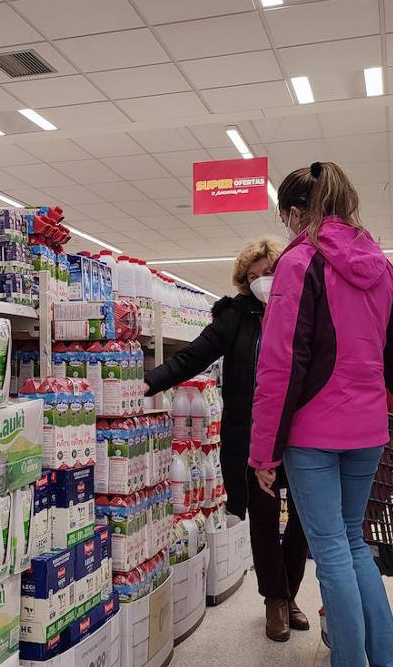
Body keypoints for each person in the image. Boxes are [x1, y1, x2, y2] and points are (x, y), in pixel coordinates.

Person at [250, 161, 393, 667]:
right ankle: (388, 660)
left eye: (287, 217)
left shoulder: (301, 261)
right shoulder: (383, 265)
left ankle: (349, 660)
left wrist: (264, 452)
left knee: (330, 552)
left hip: (313, 433)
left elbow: (280, 364)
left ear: (297, 212)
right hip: (368, 428)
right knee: (352, 542)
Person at [143, 238, 309, 642]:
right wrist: (147, 383)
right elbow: (193, 356)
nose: (262, 282)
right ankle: (275, 600)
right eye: (253, 277)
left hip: (304, 432)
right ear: (243, 284)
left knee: (305, 521)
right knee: (265, 520)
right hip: (252, 435)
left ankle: (291, 594)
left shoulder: (307, 308)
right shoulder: (235, 317)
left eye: (268, 272)